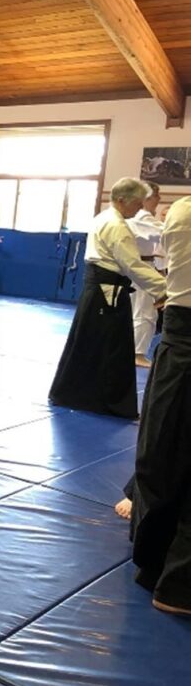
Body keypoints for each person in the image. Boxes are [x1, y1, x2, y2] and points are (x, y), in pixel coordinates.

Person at [49, 178, 165, 419]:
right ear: (122, 200)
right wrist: (166, 290)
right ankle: (105, 400)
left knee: (89, 344)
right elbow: (132, 265)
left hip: (99, 290)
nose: (139, 208)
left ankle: (75, 393)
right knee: (112, 348)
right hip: (107, 293)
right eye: (136, 203)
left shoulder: (104, 217)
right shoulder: (117, 226)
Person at [129, 196, 191, 615]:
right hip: (181, 329)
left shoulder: (182, 209)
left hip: (178, 337)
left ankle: (154, 562)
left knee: (163, 447)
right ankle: (179, 584)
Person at [127, 180, 165, 368]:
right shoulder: (143, 217)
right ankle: (138, 352)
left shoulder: (141, 217)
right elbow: (166, 233)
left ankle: (133, 349)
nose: (159, 200)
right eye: (157, 196)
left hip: (138, 266)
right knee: (146, 311)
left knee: (138, 310)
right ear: (148, 198)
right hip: (143, 266)